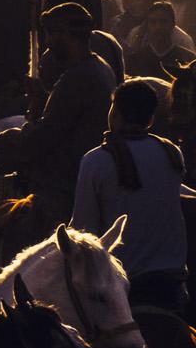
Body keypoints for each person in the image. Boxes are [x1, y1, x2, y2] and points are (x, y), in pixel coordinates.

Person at [0, 2, 117, 232]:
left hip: (63, 187)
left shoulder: (79, 79)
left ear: (66, 35)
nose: (48, 42)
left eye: (51, 34)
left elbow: (43, 136)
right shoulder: (99, 68)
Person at [72, 79, 189, 312]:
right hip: (173, 282)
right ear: (151, 119)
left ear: (115, 114)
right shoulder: (171, 153)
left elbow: (83, 231)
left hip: (123, 284)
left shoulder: (96, 160)